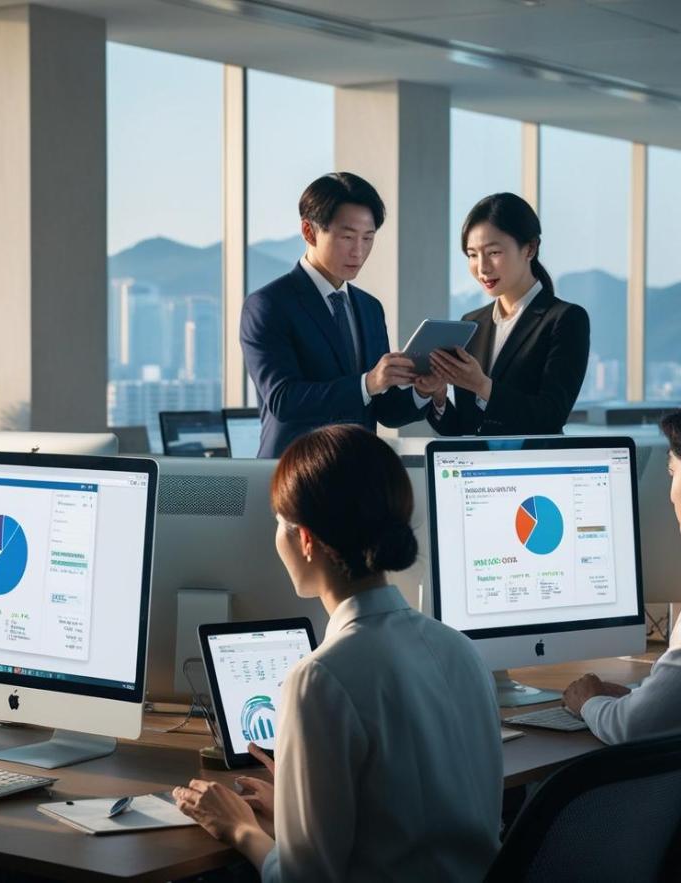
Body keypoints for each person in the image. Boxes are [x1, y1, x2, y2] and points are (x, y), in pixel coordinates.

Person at [172, 425, 503, 881]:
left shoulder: (320, 679)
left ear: (305, 540)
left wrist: (240, 828)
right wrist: (294, 803)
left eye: (278, 523)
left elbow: (302, 880)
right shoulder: (460, 650)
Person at [563, 390, 681, 815]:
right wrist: (645, 696)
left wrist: (588, 700)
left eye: (672, 472)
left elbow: (635, 729)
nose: (669, 492)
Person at [240, 173, 431, 458]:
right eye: (347, 237)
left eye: (368, 238)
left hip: (358, 474)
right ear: (308, 231)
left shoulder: (369, 307)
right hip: (295, 476)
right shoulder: (268, 305)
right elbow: (284, 400)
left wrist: (422, 391)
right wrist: (368, 383)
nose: (359, 251)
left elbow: (383, 409)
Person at [415, 192, 590, 436]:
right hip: (477, 470)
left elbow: (551, 414)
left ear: (530, 248)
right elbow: (464, 427)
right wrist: (439, 395)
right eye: (473, 255)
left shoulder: (565, 319)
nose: (482, 267)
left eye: (494, 252)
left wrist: (481, 385)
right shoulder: (472, 323)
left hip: (533, 468)